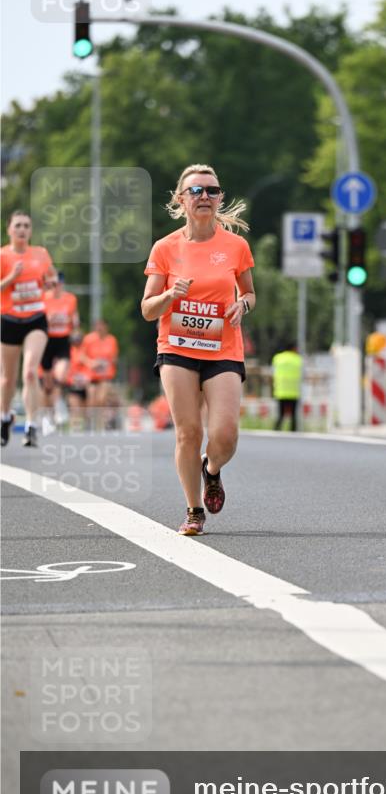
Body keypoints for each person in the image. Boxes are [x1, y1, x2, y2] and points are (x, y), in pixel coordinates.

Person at [141, 163, 255, 536]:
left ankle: (211, 469)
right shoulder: (165, 248)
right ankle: (193, 510)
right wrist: (170, 295)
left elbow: (250, 291)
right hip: (176, 347)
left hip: (223, 348)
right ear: (181, 199)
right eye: (196, 191)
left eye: (212, 190)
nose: (205, 196)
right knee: (187, 432)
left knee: (225, 435)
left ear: (220, 198)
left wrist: (244, 305)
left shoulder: (235, 246)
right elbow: (146, 309)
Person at [1, 210, 57, 447]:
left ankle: (32, 425)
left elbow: (51, 279)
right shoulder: (3, 256)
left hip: (36, 318)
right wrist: (12, 277)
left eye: (26, 226)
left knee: (30, 372)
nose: (22, 230)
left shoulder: (41, 254)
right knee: (7, 379)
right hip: (9, 319)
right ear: (9, 230)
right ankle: (5, 418)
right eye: (18, 225)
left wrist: (50, 283)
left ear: (31, 231)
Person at [41, 272, 80, 426]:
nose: (56, 287)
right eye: (53, 284)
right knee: (48, 384)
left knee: (61, 376)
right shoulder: (44, 298)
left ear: (63, 284)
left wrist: (76, 327)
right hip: (46, 340)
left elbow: (74, 317)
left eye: (59, 284)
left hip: (63, 339)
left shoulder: (70, 299)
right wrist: (47, 320)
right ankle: (47, 415)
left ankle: (58, 407)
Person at [81, 319, 119, 424]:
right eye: (97, 326)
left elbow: (115, 358)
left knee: (102, 398)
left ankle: (100, 421)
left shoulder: (112, 340)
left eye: (102, 326)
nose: (99, 328)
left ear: (106, 327)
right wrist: (91, 363)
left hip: (106, 375)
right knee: (92, 397)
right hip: (92, 375)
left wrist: (108, 363)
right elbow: (82, 356)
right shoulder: (88, 339)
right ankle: (90, 420)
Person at [272, 343, 303, 432]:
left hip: (280, 391)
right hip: (293, 392)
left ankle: (276, 431)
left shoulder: (277, 358)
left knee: (281, 415)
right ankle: (293, 433)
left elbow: (273, 373)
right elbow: (303, 374)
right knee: (293, 416)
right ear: (293, 348)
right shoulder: (298, 359)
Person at [65, 330, 90, 428]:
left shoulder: (86, 350)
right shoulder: (67, 352)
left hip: (85, 385)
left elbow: (91, 365)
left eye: (78, 339)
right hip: (73, 384)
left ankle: (86, 427)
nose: (76, 342)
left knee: (85, 409)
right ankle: (75, 427)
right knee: (75, 408)